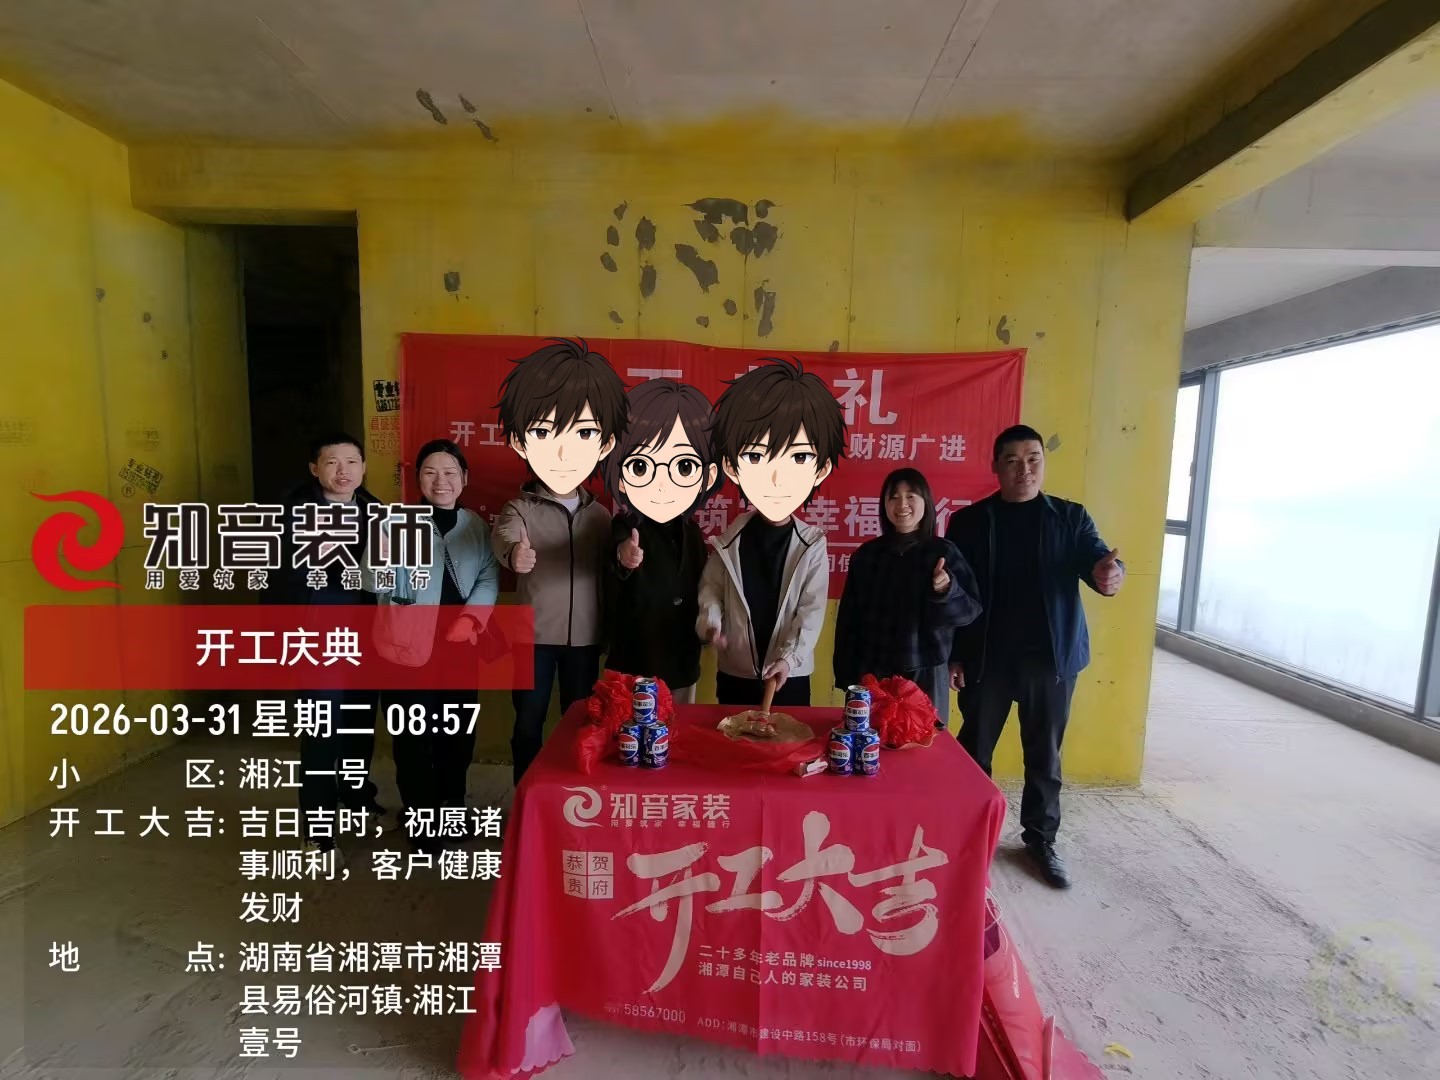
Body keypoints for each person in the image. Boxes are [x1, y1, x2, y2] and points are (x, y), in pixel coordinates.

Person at [945, 424, 1125, 889]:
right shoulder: (969, 522)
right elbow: (957, 595)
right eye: (1012, 460)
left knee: (1044, 756)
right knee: (974, 752)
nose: (1023, 469)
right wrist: (954, 656)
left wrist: (1110, 574)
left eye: (1033, 459)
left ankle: (1040, 840)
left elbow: (1098, 562)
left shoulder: (1070, 518)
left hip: (1051, 662)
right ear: (995, 467)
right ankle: (970, 835)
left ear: (1043, 463)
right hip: (988, 660)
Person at [491, 338, 628, 784]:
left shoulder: (600, 515)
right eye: (547, 433)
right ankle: (526, 793)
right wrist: (515, 554)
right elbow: (504, 538)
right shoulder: (520, 507)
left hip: (584, 639)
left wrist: (625, 562)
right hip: (531, 639)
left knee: (580, 720)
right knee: (528, 721)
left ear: (603, 444)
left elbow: (613, 569)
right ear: (523, 442)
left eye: (582, 434)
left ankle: (572, 796)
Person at [371, 439, 499, 851]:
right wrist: (380, 559)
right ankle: (420, 816)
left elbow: (488, 576)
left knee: (457, 734)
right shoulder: (395, 523)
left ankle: (452, 806)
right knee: (412, 738)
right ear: (418, 479)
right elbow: (372, 582)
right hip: (405, 649)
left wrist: (470, 619)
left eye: (449, 472)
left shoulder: (475, 525)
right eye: (430, 472)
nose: (440, 481)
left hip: (459, 646)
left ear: (464, 479)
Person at [697, 357, 845, 708]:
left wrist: (788, 659)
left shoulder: (812, 543)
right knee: (730, 741)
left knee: (789, 743)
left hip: (788, 676)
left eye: (797, 458)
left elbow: (810, 612)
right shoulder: (728, 541)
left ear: (820, 469)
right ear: (733, 467)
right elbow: (711, 593)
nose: (776, 478)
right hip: (735, 673)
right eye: (757, 457)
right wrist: (712, 624)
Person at [268, 432, 384, 859]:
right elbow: (275, 583)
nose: (343, 471)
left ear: (363, 468)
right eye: (332, 462)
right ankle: (317, 827)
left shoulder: (377, 513)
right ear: (315, 469)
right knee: (321, 731)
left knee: (358, 723)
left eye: (351, 462)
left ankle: (355, 796)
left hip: (367, 639)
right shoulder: (289, 516)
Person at [603, 379, 722, 704]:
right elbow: (617, 555)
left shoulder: (692, 530)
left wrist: (710, 625)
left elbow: (703, 585)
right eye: (643, 465)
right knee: (631, 729)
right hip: (637, 657)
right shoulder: (627, 523)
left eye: (683, 466)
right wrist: (625, 556)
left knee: (678, 729)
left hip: (681, 654)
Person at [832, 468, 981, 723]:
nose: (902, 504)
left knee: (925, 742)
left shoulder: (943, 552)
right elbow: (849, 620)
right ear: (884, 505)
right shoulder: (867, 555)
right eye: (893, 497)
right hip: (874, 671)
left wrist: (946, 590)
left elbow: (970, 611)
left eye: (911, 496)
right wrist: (847, 676)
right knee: (872, 740)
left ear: (926, 502)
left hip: (927, 671)